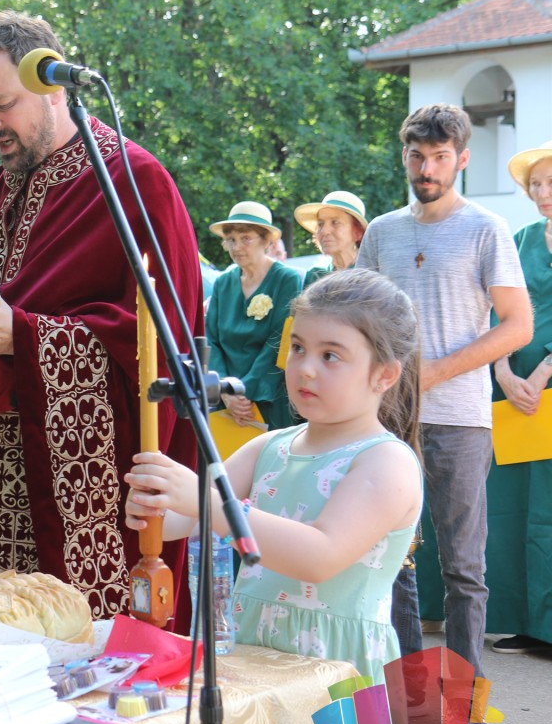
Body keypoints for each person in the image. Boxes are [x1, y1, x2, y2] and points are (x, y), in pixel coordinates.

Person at [0, 12, 203, 620]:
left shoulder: (135, 182)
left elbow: (161, 347)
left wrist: (22, 335)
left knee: (74, 651)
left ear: (54, 86)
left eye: (2, 104)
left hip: (73, 503)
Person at [124, 270, 422, 686]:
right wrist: (153, 504)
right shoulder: (269, 447)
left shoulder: (386, 462)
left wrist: (202, 500)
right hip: (252, 658)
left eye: (330, 356)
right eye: (297, 348)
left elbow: (319, 556)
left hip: (334, 671)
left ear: (385, 375)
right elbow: (184, 521)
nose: (305, 369)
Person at [358, 103, 532, 677]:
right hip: (388, 419)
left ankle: (463, 699)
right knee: (391, 559)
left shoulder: (486, 228)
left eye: (439, 157)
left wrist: (433, 372)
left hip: (460, 419)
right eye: (417, 156)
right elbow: (361, 319)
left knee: (462, 568)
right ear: (404, 156)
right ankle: (409, 691)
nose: (426, 168)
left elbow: (518, 326)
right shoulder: (382, 231)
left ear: (461, 159)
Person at [483, 142, 552, 655]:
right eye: (536, 184)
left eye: (551, 183)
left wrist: (545, 369)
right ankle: (524, 620)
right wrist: (503, 370)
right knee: (512, 507)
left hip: (547, 390)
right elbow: (496, 308)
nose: (543, 192)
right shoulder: (519, 239)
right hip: (514, 396)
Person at [205, 201, 303, 431]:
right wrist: (224, 388)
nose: (237, 247)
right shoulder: (222, 283)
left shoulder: (286, 279)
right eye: (231, 240)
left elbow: (279, 340)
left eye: (246, 238)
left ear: (266, 240)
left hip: (268, 394)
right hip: (225, 399)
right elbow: (211, 340)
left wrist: (244, 391)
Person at [292, 191, 368, 287]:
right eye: (320, 224)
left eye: (335, 222)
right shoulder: (315, 275)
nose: (324, 231)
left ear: (358, 232)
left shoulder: (371, 273)